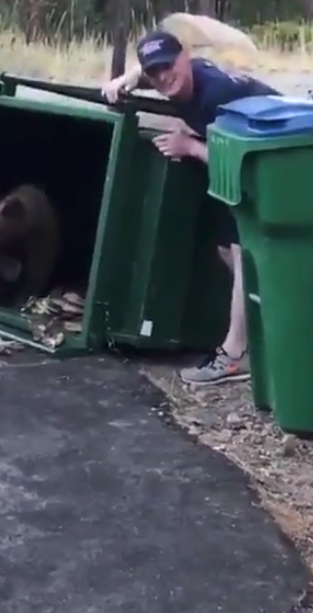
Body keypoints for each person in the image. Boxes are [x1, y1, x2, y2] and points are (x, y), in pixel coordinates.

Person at [102, 29, 279, 386]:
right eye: (154, 71)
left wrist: (191, 147)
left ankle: (234, 354)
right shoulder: (182, 76)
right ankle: (277, 329)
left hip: (276, 155)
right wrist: (126, 79)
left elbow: (245, 160)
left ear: (185, 57)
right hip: (253, 156)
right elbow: (151, 73)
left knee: (242, 249)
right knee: (225, 250)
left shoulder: (216, 95)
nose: (163, 76)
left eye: (168, 65)